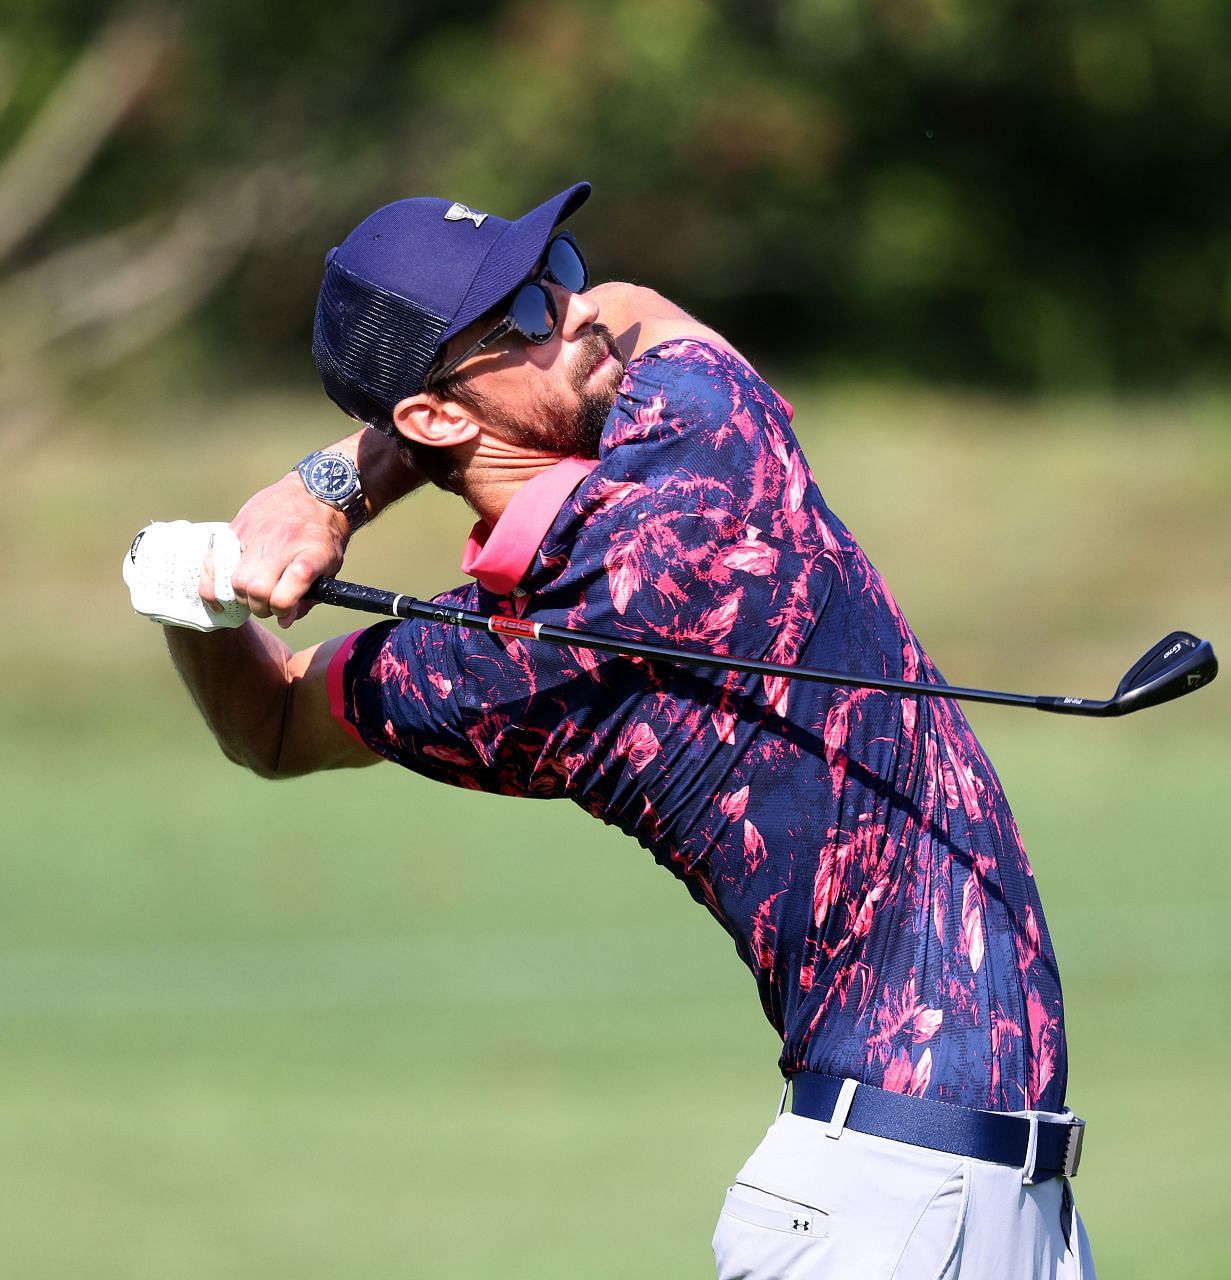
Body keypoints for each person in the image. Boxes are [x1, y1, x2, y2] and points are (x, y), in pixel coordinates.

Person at [123, 182, 1094, 1279]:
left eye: (557, 272)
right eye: (526, 319)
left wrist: (282, 519)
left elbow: (271, 721)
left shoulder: (502, 650)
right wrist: (318, 496)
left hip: (979, 1199)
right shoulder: (696, 445)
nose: (575, 313)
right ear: (437, 417)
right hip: (896, 1206)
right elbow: (284, 723)